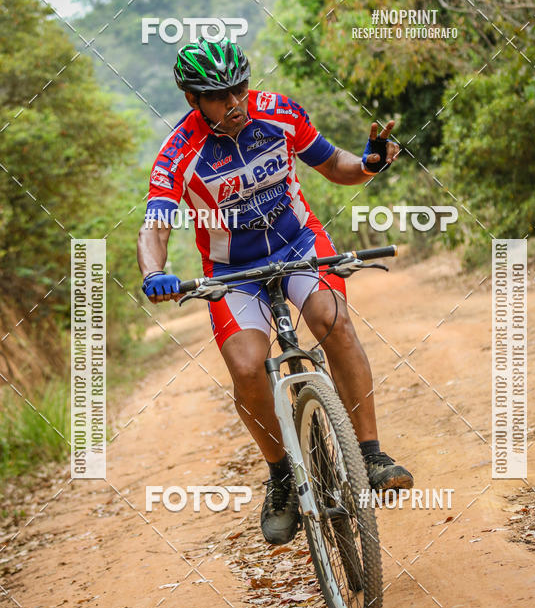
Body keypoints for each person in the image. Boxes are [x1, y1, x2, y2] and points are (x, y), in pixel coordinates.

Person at [137, 38, 413, 545]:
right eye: (219, 96)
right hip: (232, 270)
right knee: (245, 366)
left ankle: (371, 454)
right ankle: (282, 475)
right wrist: (155, 272)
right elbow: (155, 225)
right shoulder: (178, 152)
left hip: (299, 243)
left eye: (239, 88)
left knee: (333, 321)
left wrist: (370, 163)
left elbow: (334, 166)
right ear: (193, 100)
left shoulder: (280, 112)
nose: (234, 103)